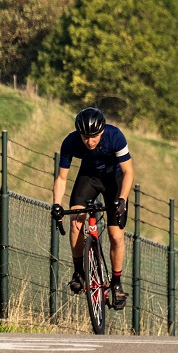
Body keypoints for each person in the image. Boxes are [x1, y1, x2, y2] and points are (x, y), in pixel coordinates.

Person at [51, 107, 135, 309]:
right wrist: (56, 204)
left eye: (94, 136)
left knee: (116, 235)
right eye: (85, 137)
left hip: (114, 180)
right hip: (89, 178)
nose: (90, 141)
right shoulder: (70, 142)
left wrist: (122, 199)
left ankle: (116, 283)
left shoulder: (115, 137)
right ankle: (79, 271)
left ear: (102, 131)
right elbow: (62, 177)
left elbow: (128, 172)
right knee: (76, 222)